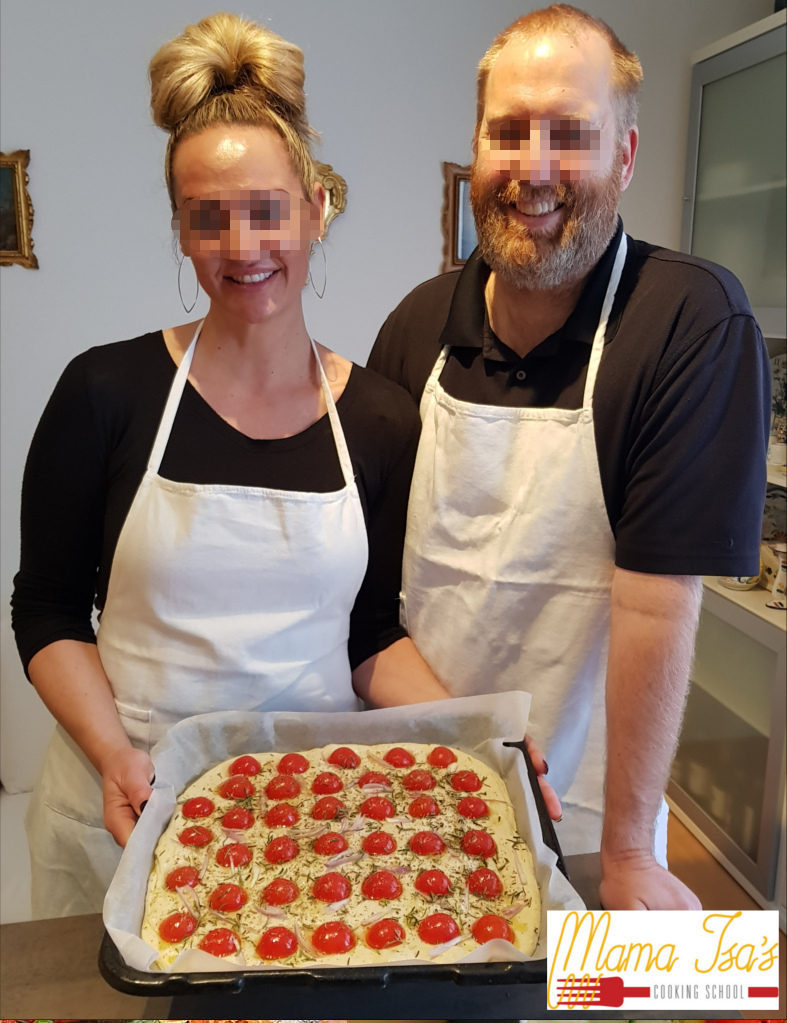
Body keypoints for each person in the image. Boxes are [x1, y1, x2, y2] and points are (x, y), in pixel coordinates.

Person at [12, 12, 450, 918]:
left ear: (315, 208)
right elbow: (47, 608)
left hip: (310, 816)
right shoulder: (105, 391)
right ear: (179, 228)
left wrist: (470, 736)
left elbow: (371, 635)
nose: (242, 248)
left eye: (266, 212)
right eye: (209, 219)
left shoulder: (378, 418)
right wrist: (110, 753)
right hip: (123, 803)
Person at [368, 4, 770, 909]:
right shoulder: (414, 325)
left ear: (624, 158)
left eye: (570, 135)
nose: (533, 169)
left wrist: (629, 851)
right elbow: (370, 598)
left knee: (590, 1001)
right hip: (416, 774)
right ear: (475, 146)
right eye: (507, 132)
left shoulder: (690, 322)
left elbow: (654, 604)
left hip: (591, 813)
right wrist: (458, 748)